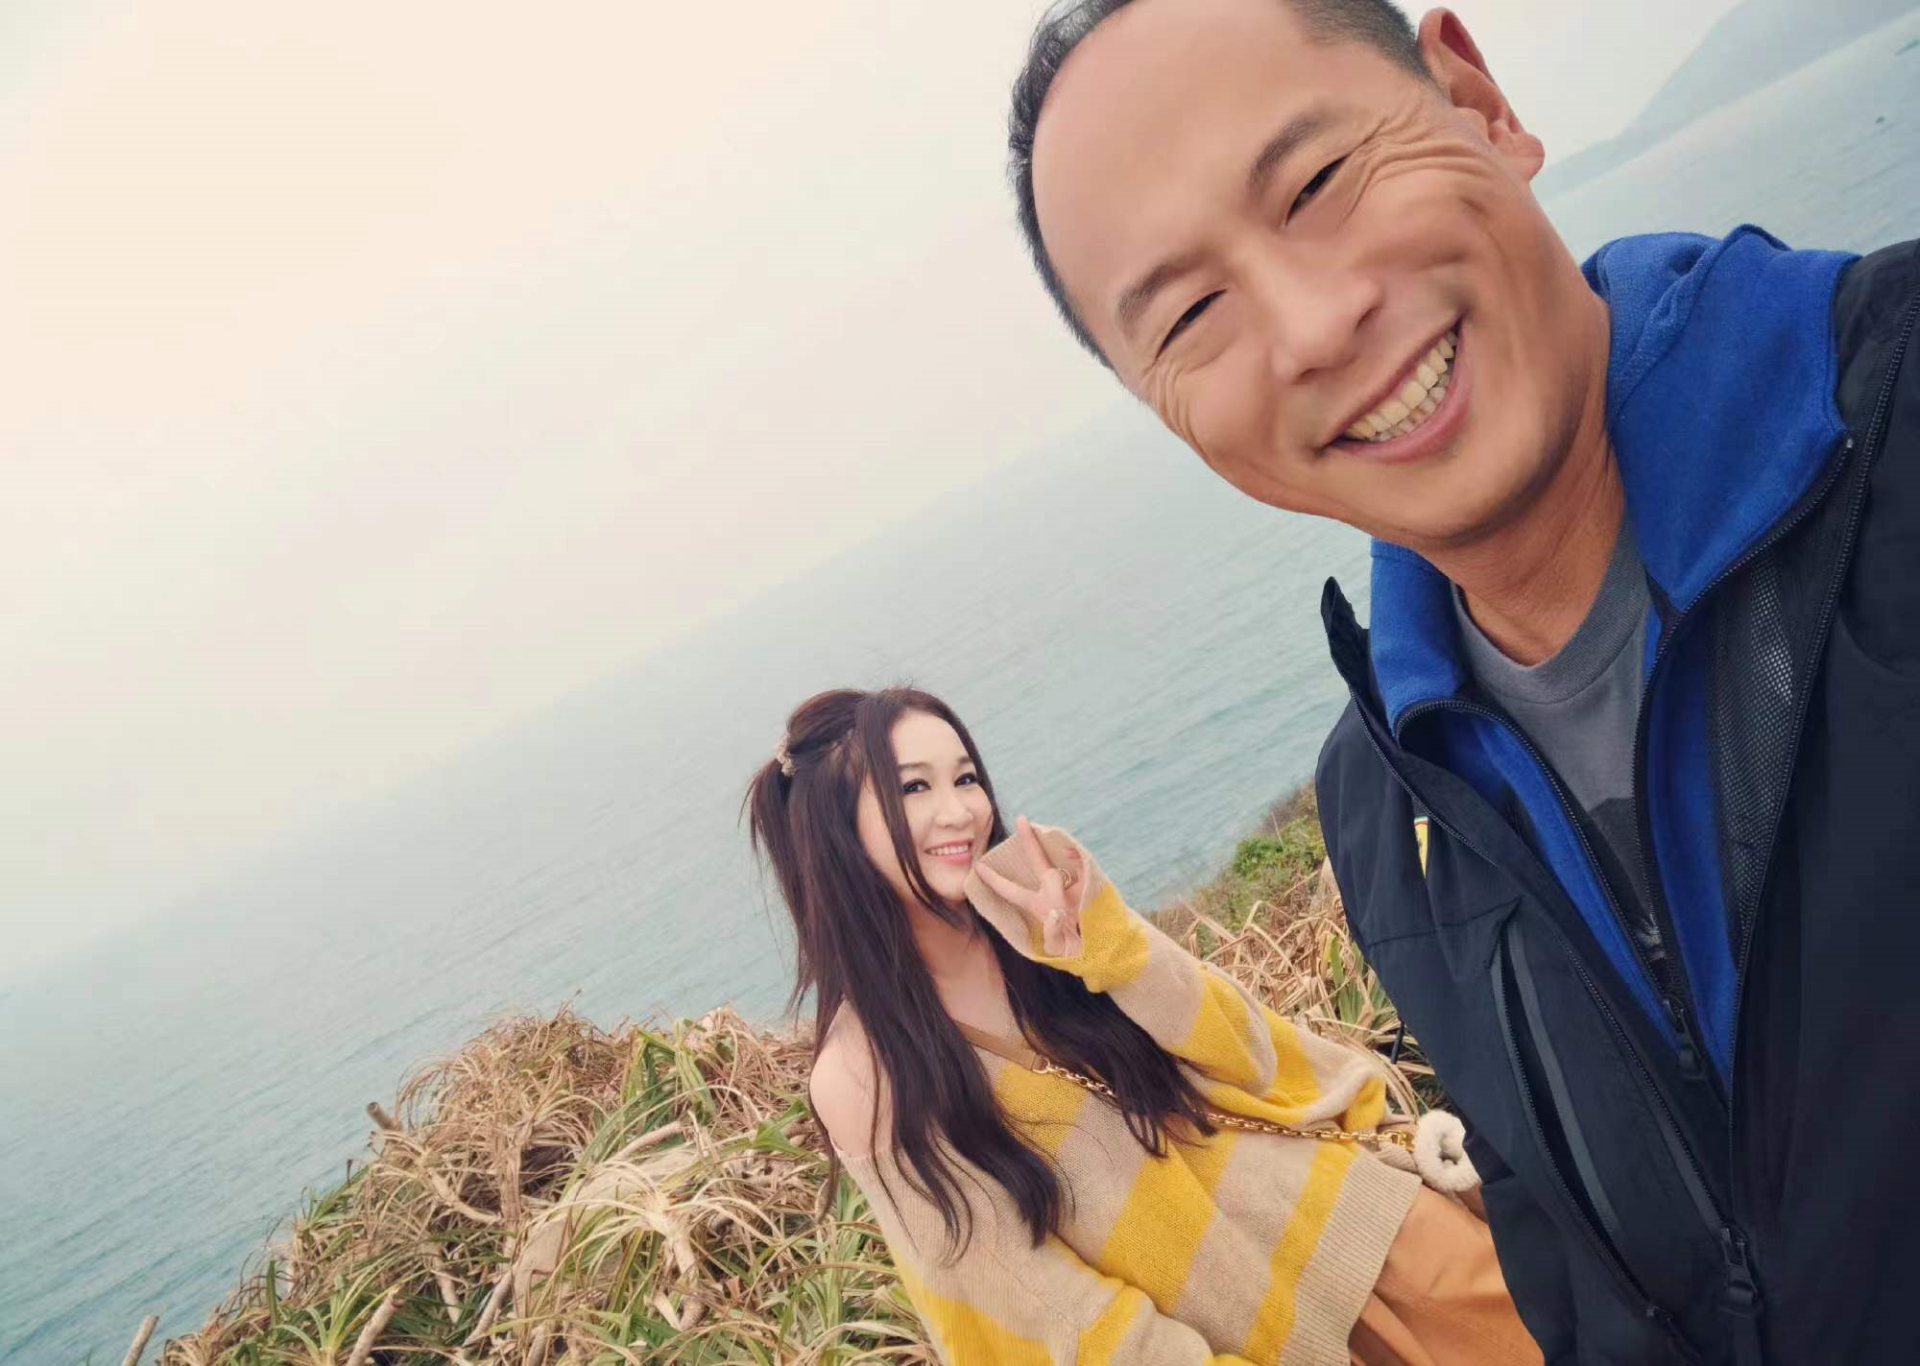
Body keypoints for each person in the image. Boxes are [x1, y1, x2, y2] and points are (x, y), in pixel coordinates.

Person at [1005, 0, 1920, 1362]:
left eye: (1318, 181)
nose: (1313, 327)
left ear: (1479, 105)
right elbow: (1583, 1281)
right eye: (1192, 314)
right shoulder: (1390, 810)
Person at [746, 686, 1541, 1366]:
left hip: (1374, 1232)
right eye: (914, 788)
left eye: (965, 777)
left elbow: (1247, 1053)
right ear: (835, 830)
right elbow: (1036, 1303)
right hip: (1260, 1341)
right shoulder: (865, 1076)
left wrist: (1109, 945)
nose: (959, 811)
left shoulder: (1037, 919)